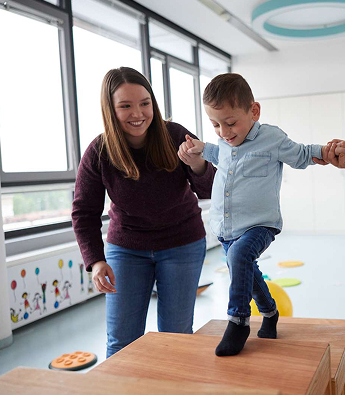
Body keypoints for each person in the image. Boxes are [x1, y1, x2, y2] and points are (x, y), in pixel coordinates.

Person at [178, 73, 345, 357]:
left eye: (230, 123)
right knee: (249, 272)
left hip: (260, 225)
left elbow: (302, 153)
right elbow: (218, 153)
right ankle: (269, 312)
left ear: (253, 111)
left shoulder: (271, 138)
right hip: (227, 227)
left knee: (241, 257)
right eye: (215, 124)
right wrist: (201, 149)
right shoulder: (225, 145)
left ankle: (238, 321)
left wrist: (329, 154)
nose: (224, 131)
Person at [72, 67, 216, 358]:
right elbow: (84, 212)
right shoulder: (100, 151)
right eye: (125, 105)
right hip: (126, 249)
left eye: (144, 103)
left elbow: (209, 189)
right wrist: (96, 260)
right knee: (122, 340)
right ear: (111, 110)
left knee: (176, 336)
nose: (137, 113)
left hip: (182, 244)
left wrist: (199, 164)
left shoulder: (176, 135)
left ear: (153, 103)